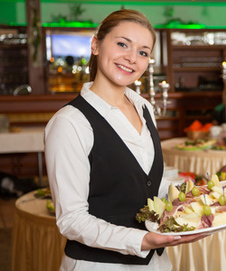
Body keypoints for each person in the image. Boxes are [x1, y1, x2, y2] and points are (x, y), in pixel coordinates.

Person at [45, 9, 204, 270]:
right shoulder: (70, 123)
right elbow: (71, 220)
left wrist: (190, 195)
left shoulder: (144, 108)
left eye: (143, 52)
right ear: (95, 45)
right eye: (122, 44)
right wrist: (141, 240)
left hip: (158, 263)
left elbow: (144, 181)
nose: (132, 58)